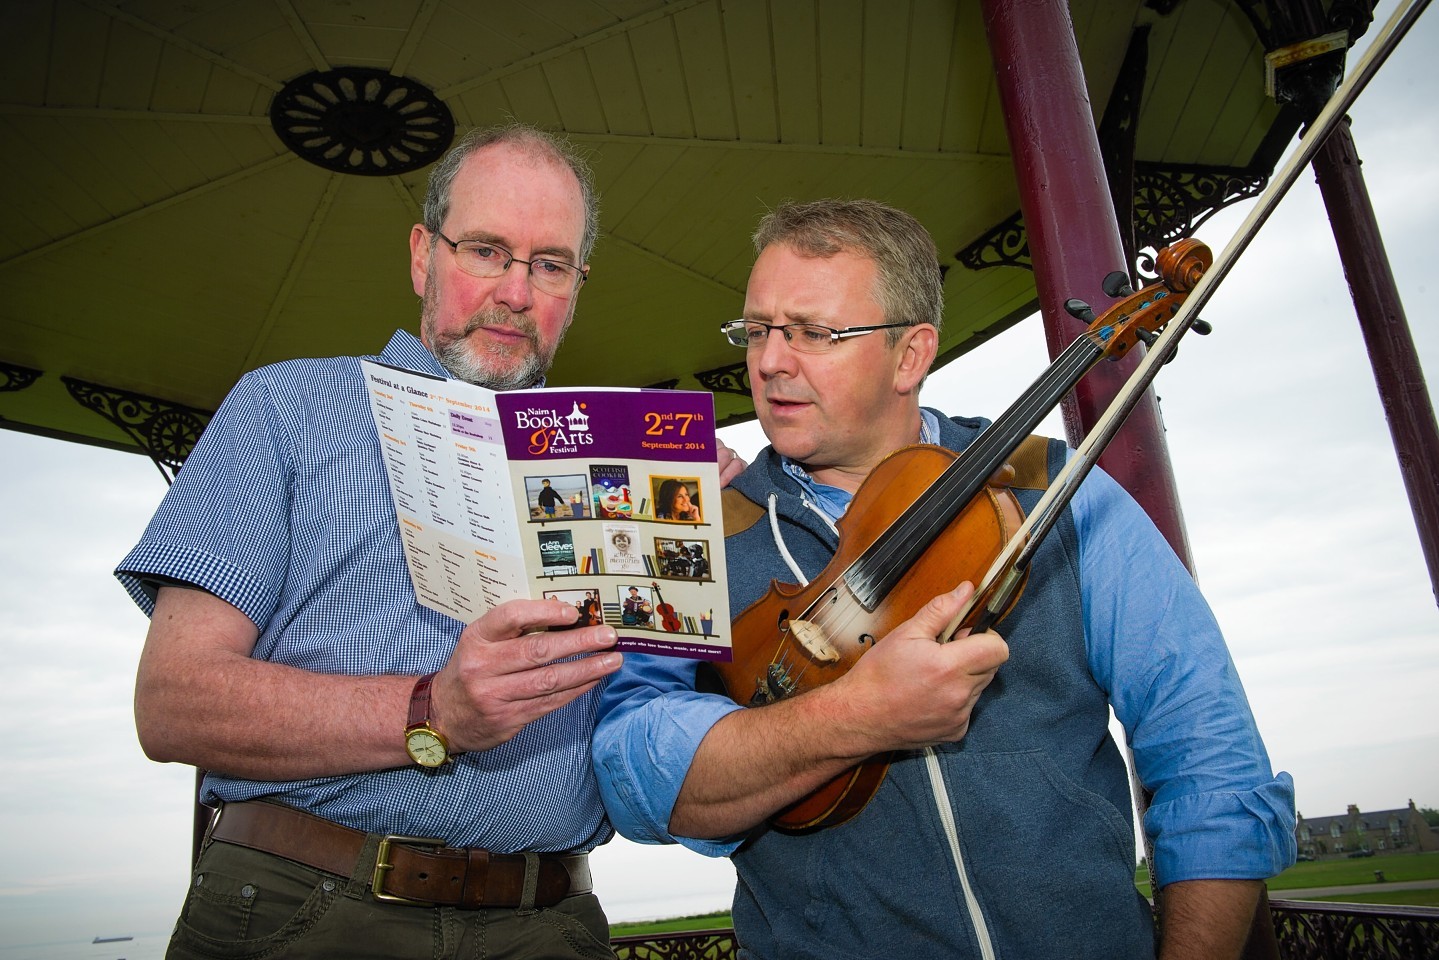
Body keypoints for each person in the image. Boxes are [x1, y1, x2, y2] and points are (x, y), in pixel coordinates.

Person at [592, 199, 1297, 960]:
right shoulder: (692, 529)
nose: (768, 362)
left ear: (910, 355)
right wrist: (854, 716)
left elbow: (1207, 756)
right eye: (757, 330)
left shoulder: (1055, 491)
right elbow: (635, 773)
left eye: (813, 333)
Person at [115, 122, 742, 960]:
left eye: (550, 265)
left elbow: (669, 720)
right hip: (310, 914)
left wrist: (716, 529)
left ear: (577, 285)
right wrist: (431, 710)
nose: (516, 292)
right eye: (485, 250)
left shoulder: (625, 462)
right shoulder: (285, 408)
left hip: (551, 921)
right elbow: (173, 703)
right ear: (423, 255)